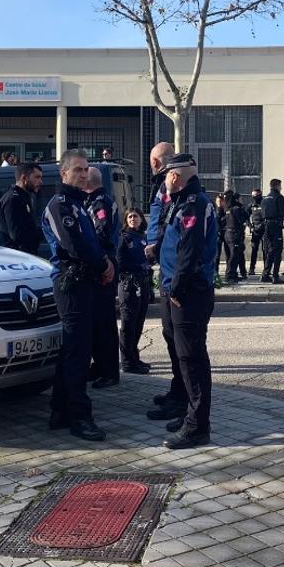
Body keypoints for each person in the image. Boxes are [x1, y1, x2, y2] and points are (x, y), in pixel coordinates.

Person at [41, 149, 112, 442]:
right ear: (64, 173)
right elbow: (74, 245)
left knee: (73, 350)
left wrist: (105, 262)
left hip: (86, 281)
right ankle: (80, 418)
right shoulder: (60, 205)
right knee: (78, 353)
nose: (83, 174)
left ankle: (60, 411)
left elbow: (92, 242)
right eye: (78, 170)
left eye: (86, 170)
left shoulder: (78, 203)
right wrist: (103, 264)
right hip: (71, 283)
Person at [155, 154, 218, 449]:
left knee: (192, 358)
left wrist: (176, 290)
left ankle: (197, 426)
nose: (164, 180)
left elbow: (189, 253)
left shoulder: (194, 204)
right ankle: (187, 412)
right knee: (182, 354)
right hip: (175, 290)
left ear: (175, 176)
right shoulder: (181, 202)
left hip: (188, 293)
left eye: (166, 175)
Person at [86, 166, 121, 389]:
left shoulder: (100, 203)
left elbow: (101, 233)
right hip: (102, 265)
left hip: (104, 267)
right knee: (97, 323)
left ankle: (108, 371)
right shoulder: (98, 200)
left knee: (104, 323)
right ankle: (100, 366)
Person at [117, 208, 153, 374]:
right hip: (129, 285)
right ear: (126, 220)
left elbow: (149, 261)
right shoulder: (123, 238)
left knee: (138, 324)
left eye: (135, 216)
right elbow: (119, 262)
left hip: (143, 283)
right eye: (130, 217)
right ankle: (127, 362)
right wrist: (136, 267)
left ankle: (134, 357)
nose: (133, 219)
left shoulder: (143, 238)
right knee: (128, 325)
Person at [0, 162, 44, 255]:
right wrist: (45, 233)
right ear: (24, 178)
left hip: (26, 255)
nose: (41, 182)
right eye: (37, 177)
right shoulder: (13, 200)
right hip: (19, 257)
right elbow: (18, 235)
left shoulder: (23, 197)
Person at [144, 142, 175, 262]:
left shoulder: (166, 185)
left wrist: (156, 245)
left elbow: (167, 216)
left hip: (164, 245)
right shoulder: (172, 182)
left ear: (154, 162)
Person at [260, 178, 284, 283]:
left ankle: (265, 274)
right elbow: (283, 212)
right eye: (280, 186)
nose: (281, 188)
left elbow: (262, 212)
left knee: (270, 251)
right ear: (277, 186)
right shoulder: (279, 197)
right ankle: (276, 276)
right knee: (277, 251)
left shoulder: (265, 198)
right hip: (276, 226)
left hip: (266, 226)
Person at [222, 191, 248, 282]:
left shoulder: (228, 209)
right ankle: (229, 275)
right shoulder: (236, 209)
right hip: (234, 234)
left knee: (233, 255)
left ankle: (233, 274)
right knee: (233, 256)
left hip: (228, 234)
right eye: (240, 198)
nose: (242, 200)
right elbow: (243, 218)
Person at [247, 189, 265, 276]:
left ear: (260, 195)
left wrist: (263, 224)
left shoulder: (264, 204)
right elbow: (245, 216)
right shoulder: (251, 205)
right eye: (253, 196)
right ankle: (251, 268)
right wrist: (250, 226)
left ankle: (266, 269)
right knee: (254, 249)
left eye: (256, 195)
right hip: (255, 230)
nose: (254, 197)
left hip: (264, 229)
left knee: (265, 249)